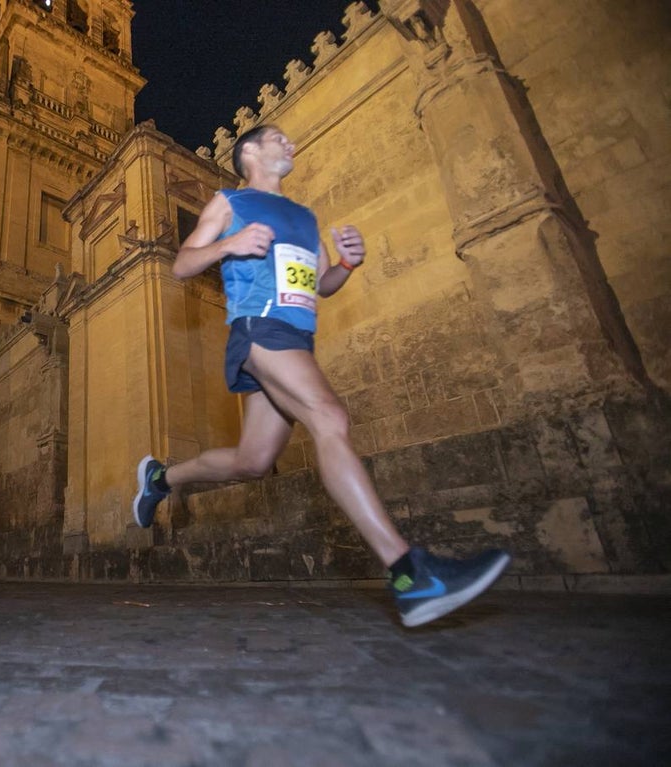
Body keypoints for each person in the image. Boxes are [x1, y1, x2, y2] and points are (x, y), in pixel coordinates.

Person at [132, 125, 510, 629]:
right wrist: (229, 245)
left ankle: (161, 478)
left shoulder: (305, 217)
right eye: (278, 139)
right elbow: (182, 264)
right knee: (329, 416)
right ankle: (408, 573)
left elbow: (321, 284)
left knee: (253, 460)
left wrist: (347, 266)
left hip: (294, 337)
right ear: (249, 151)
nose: (291, 144)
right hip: (259, 326)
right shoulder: (230, 202)